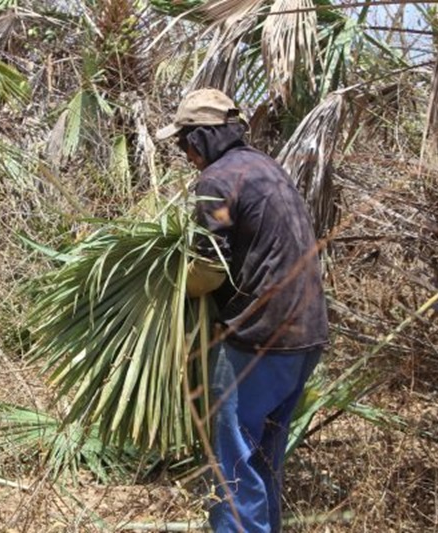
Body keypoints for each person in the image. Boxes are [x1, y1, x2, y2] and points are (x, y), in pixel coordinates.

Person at [156, 88, 329, 533]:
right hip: (306, 335)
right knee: (264, 456)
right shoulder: (266, 167)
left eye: (184, 142)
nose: (185, 154)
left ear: (203, 137)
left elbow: (208, 270)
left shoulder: (217, 178)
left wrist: (167, 286)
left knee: (233, 461)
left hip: (261, 337)